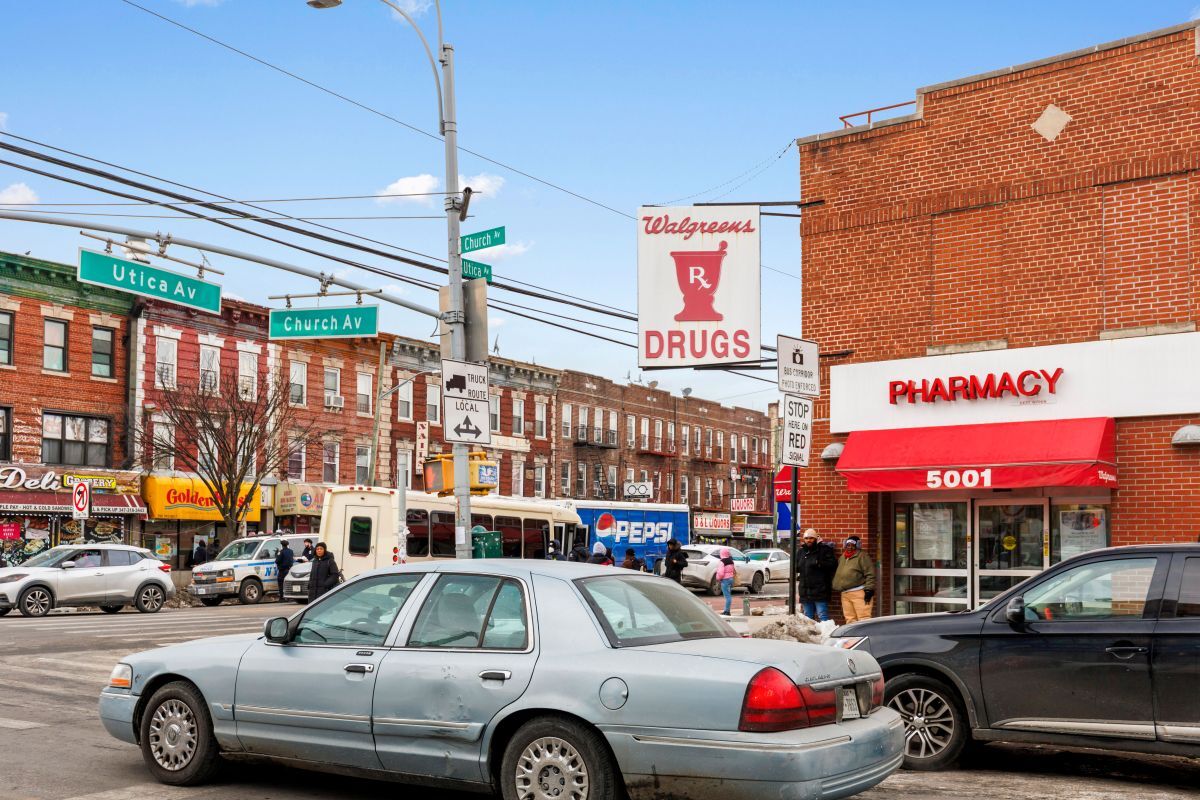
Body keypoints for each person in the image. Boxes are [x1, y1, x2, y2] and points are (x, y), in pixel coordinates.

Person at [796, 528, 837, 621]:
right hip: (805, 590)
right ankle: (811, 635)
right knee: (807, 617)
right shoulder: (801, 552)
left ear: (816, 538)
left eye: (811, 538)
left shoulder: (824, 550)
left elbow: (833, 565)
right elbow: (796, 567)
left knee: (822, 615)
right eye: (806, 538)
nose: (808, 540)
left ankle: (825, 634)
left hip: (820, 590)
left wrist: (819, 563)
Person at [833, 536, 876, 624]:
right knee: (850, 620)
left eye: (852, 545)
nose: (850, 547)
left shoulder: (862, 556)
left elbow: (870, 573)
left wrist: (869, 590)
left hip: (859, 593)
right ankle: (853, 637)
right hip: (845, 594)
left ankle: (865, 636)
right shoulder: (843, 557)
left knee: (864, 619)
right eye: (848, 545)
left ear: (857, 546)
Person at [715, 547, 737, 616]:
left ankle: (727, 612)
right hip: (730, 579)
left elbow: (721, 573)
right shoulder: (731, 561)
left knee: (727, 596)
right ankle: (726, 610)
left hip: (725, 580)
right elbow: (733, 570)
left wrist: (718, 578)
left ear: (721, 553)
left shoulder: (722, 562)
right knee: (728, 595)